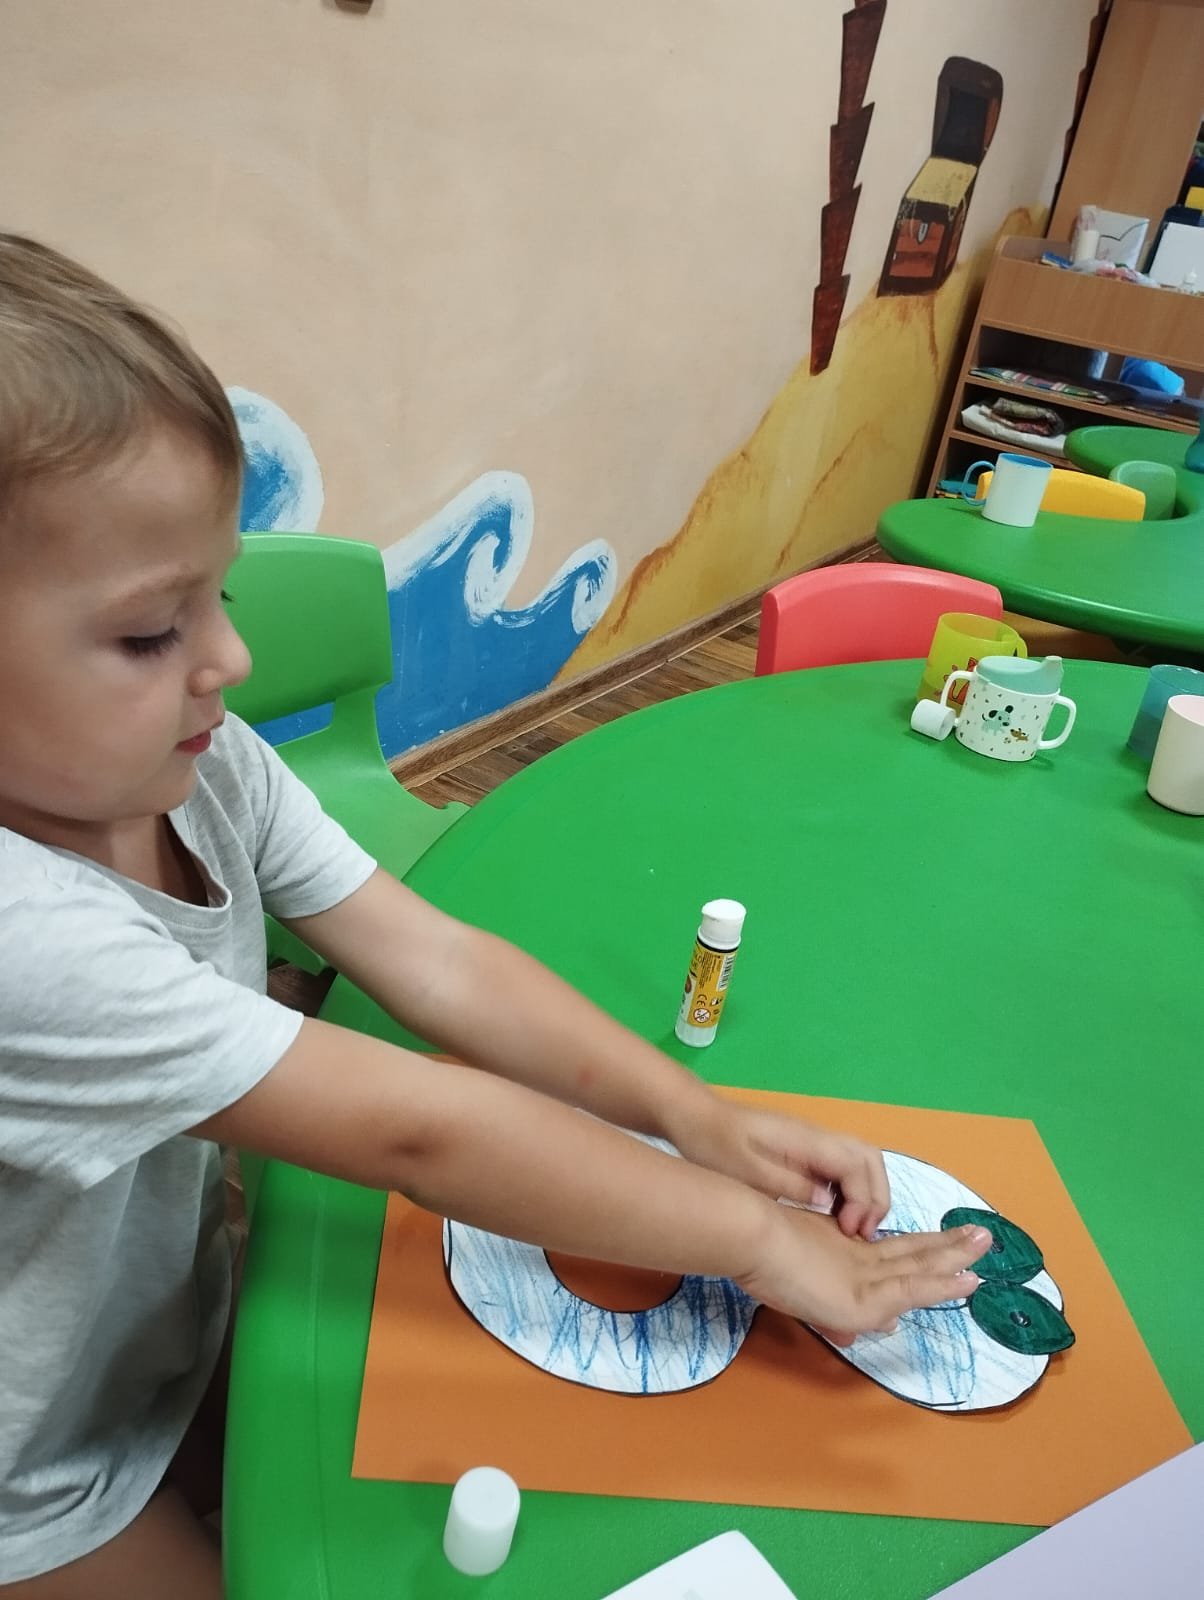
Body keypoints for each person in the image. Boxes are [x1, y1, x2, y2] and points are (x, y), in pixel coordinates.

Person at [0, 234, 989, 1599]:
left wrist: (692, 1116)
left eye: (215, 595)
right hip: (31, 1478)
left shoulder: (199, 759)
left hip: (146, 1337)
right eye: (149, 632)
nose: (229, 656)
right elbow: (421, 1129)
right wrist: (764, 1242)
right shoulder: (27, 938)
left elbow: (436, 959)